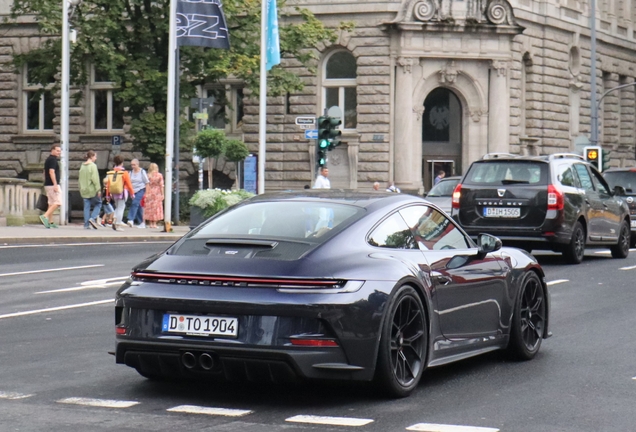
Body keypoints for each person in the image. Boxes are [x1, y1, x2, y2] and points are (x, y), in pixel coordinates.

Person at [107, 155, 134, 231]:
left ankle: (114, 221)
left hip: (114, 192)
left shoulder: (112, 172)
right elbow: (129, 184)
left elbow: (108, 184)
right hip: (122, 192)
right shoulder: (124, 172)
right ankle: (118, 224)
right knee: (121, 208)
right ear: (122, 162)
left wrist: (108, 194)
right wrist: (132, 193)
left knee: (117, 207)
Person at [78, 150, 102, 230]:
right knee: (99, 203)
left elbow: (79, 179)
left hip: (83, 189)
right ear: (91, 157)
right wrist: (98, 189)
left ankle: (86, 224)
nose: (96, 158)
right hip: (92, 189)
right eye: (95, 156)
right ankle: (92, 218)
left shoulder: (82, 166)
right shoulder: (93, 166)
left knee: (86, 207)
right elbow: (95, 179)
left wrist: (80, 188)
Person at [40, 144, 61, 228]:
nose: (59, 152)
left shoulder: (48, 159)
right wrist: (55, 184)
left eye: (59, 151)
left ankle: (50, 222)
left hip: (48, 184)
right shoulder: (53, 160)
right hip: (52, 185)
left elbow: (45, 172)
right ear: (52, 150)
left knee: (51, 203)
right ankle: (44, 216)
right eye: (57, 150)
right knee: (58, 202)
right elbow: (51, 172)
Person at [126, 159, 149, 228]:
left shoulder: (142, 172)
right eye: (132, 165)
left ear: (138, 164)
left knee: (135, 203)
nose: (133, 166)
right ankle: (142, 222)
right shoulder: (131, 173)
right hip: (133, 191)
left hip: (140, 189)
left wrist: (146, 193)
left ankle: (130, 219)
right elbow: (129, 182)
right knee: (138, 206)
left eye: (134, 165)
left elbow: (147, 182)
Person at [144, 163, 164, 229]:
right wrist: (162, 194)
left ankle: (150, 223)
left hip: (149, 191)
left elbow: (146, 184)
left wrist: (146, 193)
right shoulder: (159, 175)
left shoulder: (148, 175)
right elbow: (161, 185)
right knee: (156, 208)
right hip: (157, 192)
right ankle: (155, 223)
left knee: (150, 208)